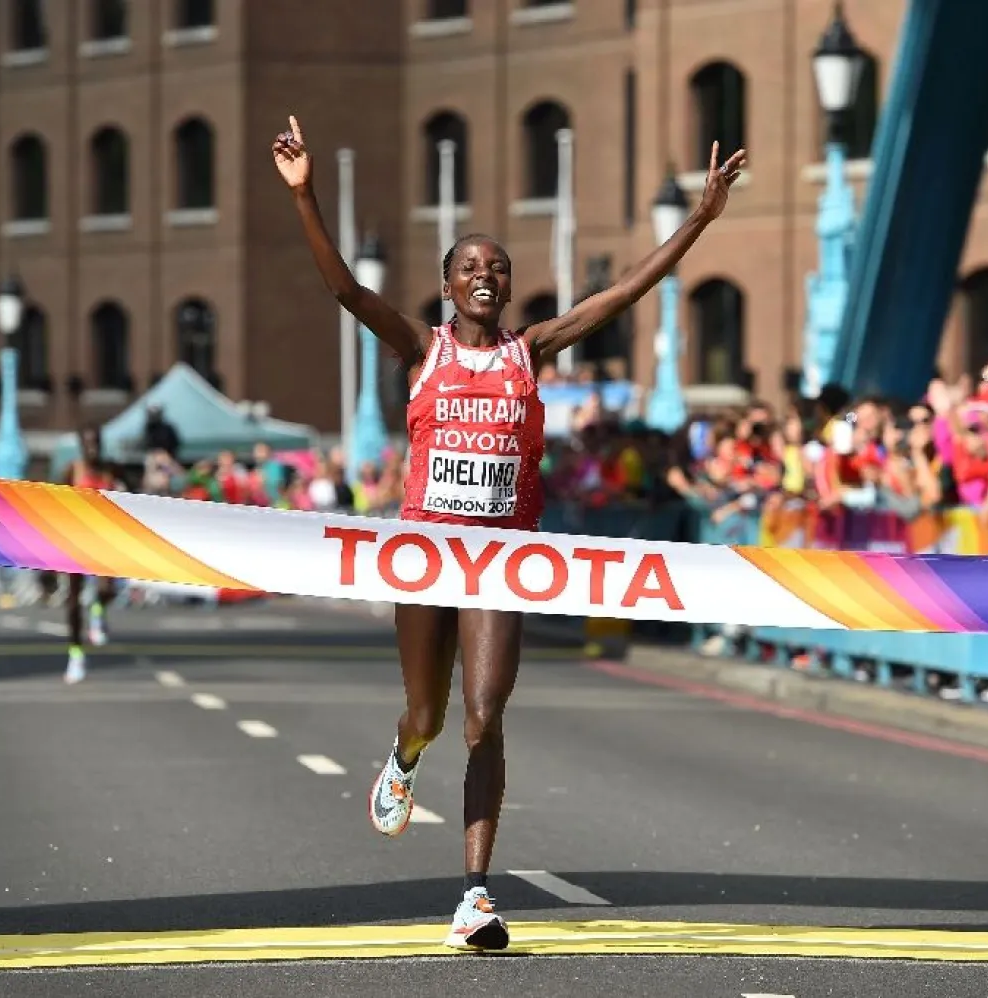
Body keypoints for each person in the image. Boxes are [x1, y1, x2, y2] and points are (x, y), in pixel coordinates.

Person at [273, 114, 745, 949]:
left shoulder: (532, 351)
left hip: (500, 559)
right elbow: (346, 290)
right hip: (424, 555)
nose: (485, 277)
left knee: (484, 717)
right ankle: (405, 755)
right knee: (426, 712)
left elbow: (624, 294)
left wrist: (700, 222)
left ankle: (475, 895)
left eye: (497, 269)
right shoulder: (422, 349)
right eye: (469, 268)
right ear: (448, 287)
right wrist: (306, 194)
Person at [62, 425, 123, 683]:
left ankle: (98, 608)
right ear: (81, 445)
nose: (93, 448)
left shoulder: (110, 469)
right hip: (75, 539)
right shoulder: (72, 470)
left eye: (96, 442)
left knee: (108, 588)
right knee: (73, 602)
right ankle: (76, 655)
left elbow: (131, 493)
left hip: (104, 539)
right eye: (88, 443)